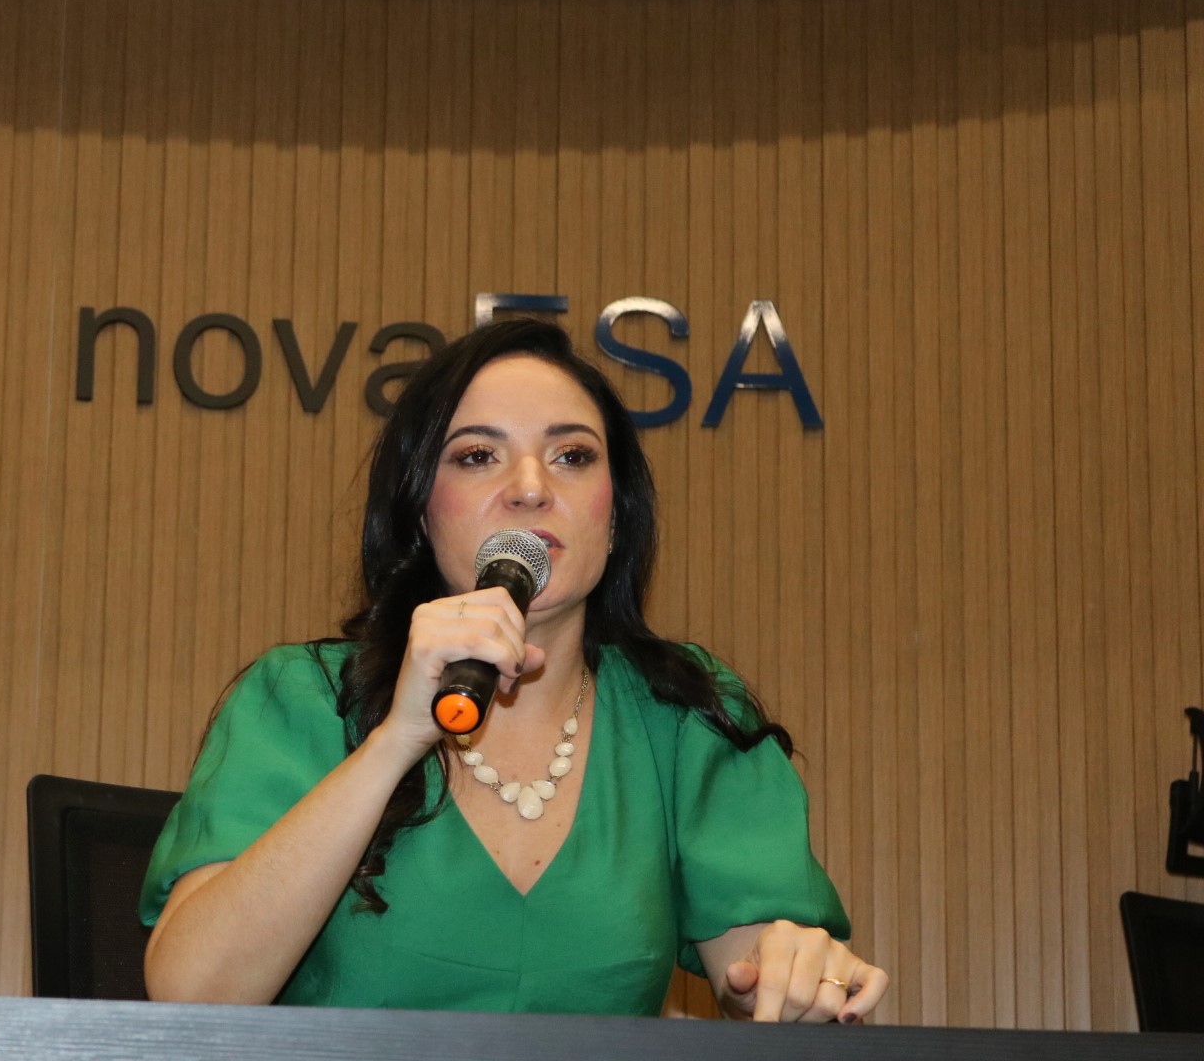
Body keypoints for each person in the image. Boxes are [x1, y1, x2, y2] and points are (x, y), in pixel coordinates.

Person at [139, 317, 888, 1022]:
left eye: (572, 456)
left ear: (615, 516)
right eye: (477, 456)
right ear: (421, 513)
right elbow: (193, 994)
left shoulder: (681, 711)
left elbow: (758, 969)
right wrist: (396, 740)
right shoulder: (298, 697)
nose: (531, 488)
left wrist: (797, 972)